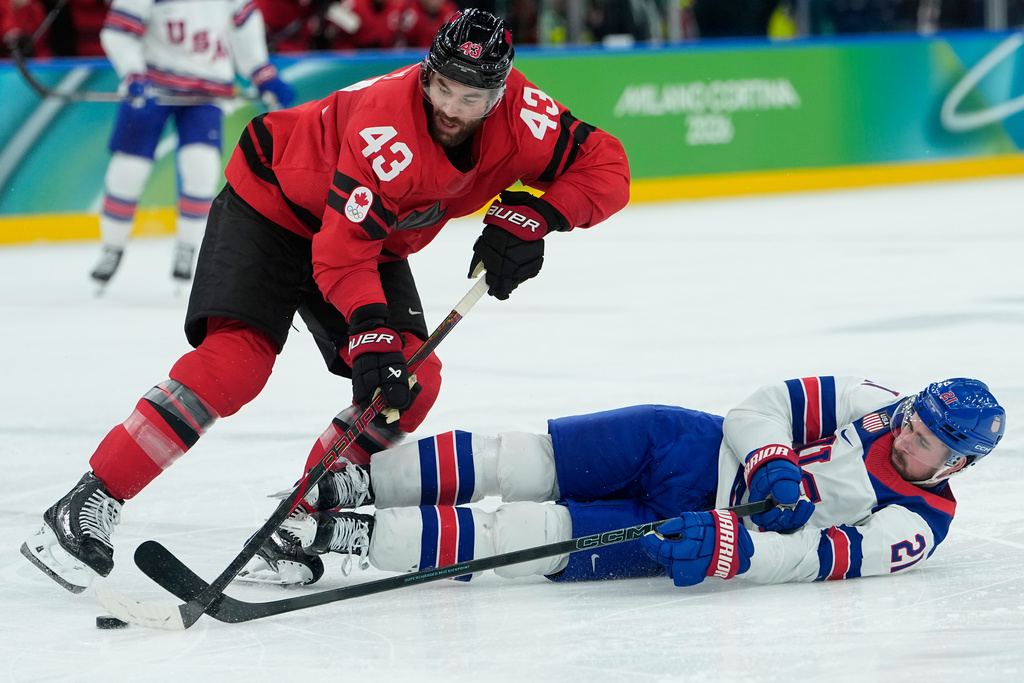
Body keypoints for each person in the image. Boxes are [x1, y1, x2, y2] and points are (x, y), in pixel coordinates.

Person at [21, 9, 630, 592]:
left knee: (410, 381)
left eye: (471, 97)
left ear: (499, 95)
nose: (451, 107)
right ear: (425, 71)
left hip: (370, 237)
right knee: (237, 363)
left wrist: (540, 214)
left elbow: (608, 163)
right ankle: (89, 500)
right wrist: (369, 337)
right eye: (443, 87)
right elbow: (341, 251)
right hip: (273, 206)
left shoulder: (527, 117)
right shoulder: (387, 127)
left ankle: (297, 517)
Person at [268, 376, 1004, 588]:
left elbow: (822, 558)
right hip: (681, 442)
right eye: (912, 418)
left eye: (926, 438)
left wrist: (736, 551)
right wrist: (772, 461)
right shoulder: (881, 402)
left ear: (957, 463)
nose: (906, 432)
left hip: (693, 530)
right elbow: (760, 407)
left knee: (523, 538)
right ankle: (345, 485)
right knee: (513, 457)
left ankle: (344, 535)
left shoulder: (920, 525)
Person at [88, 0, 295, 287]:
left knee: (201, 169)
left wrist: (262, 73)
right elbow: (119, 32)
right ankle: (112, 246)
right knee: (128, 170)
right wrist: (133, 72)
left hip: (206, 91)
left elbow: (244, 28)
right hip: (152, 88)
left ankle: (187, 248)